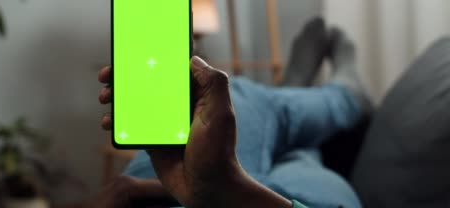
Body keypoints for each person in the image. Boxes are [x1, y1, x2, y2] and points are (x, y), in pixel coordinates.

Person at [92, 18, 370, 208]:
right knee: (254, 108)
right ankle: (345, 97)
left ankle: (293, 94)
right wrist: (230, 189)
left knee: (242, 117)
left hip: (165, 192)